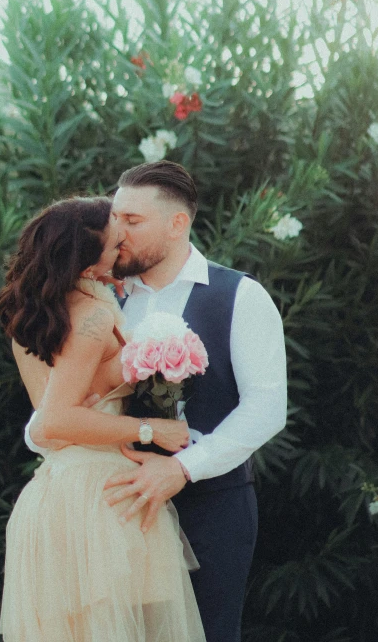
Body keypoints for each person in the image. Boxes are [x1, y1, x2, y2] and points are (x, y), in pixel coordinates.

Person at [0, 195, 206, 642]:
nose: (122, 248)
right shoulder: (91, 317)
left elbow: (47, 429)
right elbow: (54, 422)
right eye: (114, 245)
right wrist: (152, 429)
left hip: (56, 494)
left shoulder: (32, 319)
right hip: (101, 500)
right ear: (88, 265)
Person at [101, 161, 288, 642]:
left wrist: (183, 468)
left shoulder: (240, 296)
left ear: (177, 223)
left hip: (214, 508)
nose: (116, 232)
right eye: (115, 217)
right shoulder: (105, 300)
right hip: (122, 504)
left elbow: (266, 407)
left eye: (132, 221)